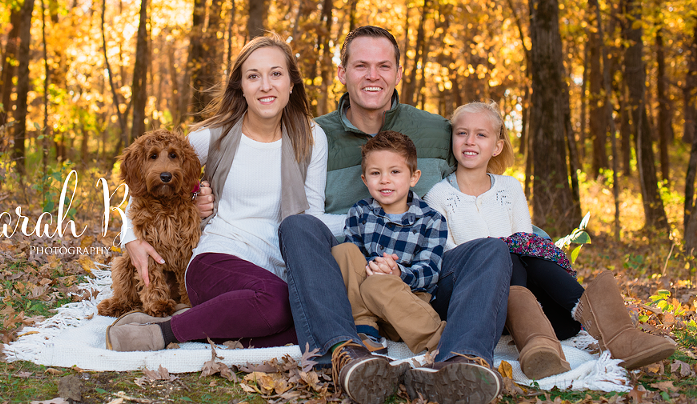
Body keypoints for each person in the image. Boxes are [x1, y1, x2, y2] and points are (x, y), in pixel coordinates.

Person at [277, 26, 510, 404]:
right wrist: (200, 196)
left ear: (399, 73)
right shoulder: (312, 135)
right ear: (342, 73)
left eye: (384, 66)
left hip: (421, 278)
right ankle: (345, 353)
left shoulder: (438, 131)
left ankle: (459, 361)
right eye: (361, 66)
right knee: (297, 225)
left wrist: (525, 232)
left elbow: (478, 181)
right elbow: (272, 197)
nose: (373, 76)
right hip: (346, 285)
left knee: (491, 249)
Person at [105, 34, 328, 351]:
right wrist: (131, 239)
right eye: (253, 76)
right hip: (216, 258)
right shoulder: (214, 137)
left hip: (277, 265)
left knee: (304, 318)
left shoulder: (311, 136)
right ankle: (163, 332)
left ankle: (205, 322)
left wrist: (363, 221)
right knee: (279, 302)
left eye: (276, 73)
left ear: (292, 82)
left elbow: (314, 219)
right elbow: (147, 186)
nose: (265, 85)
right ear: (241, 86)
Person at [423, 100, 677, 378]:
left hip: (538, 311)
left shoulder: (510, 188)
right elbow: (450, 261)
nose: (470, 141)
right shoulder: (437, 195)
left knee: (527, 255)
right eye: (462, 133)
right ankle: (555, 340)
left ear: (497, 146)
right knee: (501, 251)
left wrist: (511, 249)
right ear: (452, 139)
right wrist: (501, 248)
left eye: (481, 134)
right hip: (473, 302)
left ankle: (617, 335)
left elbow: (528, 248)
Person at [333, 131, 447, 356]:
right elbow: (353, 262)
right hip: (365, 306)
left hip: (405, 305)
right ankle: (365, 330)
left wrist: (397, 273)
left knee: (379, 285)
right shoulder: (360, 212)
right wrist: (377, 266)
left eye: (395, 171)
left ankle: (440, 346)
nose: (385, 179)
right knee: (343, 250)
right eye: (376, 173)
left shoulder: (431, 219)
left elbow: (430, 271)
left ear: (413, 177)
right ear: (365, 179)